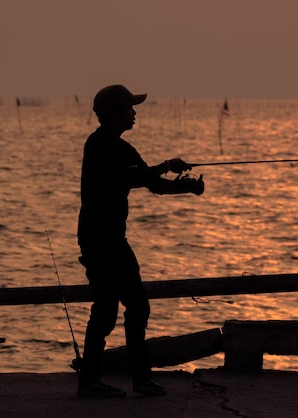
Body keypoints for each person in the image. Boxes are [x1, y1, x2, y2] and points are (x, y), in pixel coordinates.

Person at [76, 84, 204, 398]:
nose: (134, 113)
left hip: (111, 238)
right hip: (100, 240)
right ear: (113, 113)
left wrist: (187, 187)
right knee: (127, 307)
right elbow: (127, 178)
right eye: (129, 108)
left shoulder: (123, 148)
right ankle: (130, 380)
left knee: (112, 309)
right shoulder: (99, 145)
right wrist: (166, 165)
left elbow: (153, 184)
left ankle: (104, 380)